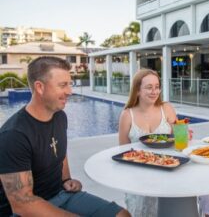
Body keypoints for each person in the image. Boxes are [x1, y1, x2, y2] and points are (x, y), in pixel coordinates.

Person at [0, 56, 130, 217]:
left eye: (70, 84)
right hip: (26, 210)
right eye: (63, 85)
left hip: (60, 194)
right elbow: (22, 204)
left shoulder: (59, 116)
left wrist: (66, 180)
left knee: (122, 215)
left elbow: (60, 151)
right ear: (40, 87)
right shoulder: (14, 135)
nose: (70, 91)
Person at [118, 68, 177, 217]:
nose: (154, 91)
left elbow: (178, 138)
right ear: (137, 90)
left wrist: (183, 135)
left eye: (157, 87)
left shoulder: (167, 109)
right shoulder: (127, 114)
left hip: (168, 171)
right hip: (139, 175)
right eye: (149, 87)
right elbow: (123, 150)